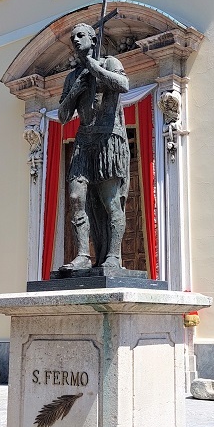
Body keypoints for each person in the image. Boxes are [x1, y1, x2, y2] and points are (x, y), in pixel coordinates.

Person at [58, 22, 130, 271]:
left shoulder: (109, 62)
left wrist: (93, 67)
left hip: (108, 137)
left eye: (81, 35)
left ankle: (114, 256)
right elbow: (63, 116)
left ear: (92, 38)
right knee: (77, 197)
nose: (76, 40)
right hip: (84, 139)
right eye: (73, 37)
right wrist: (75, 90)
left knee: (111, 201)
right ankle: (82, 256)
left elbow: (123, 85)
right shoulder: (72, 77)